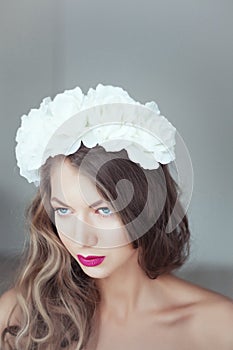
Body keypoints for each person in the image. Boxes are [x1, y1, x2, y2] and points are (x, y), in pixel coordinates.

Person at [0, 84, 233, 350]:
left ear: (147, 208)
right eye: (64, 210)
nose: (81, 238)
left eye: (103, 210)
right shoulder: (20, 317)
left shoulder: (220, 328)